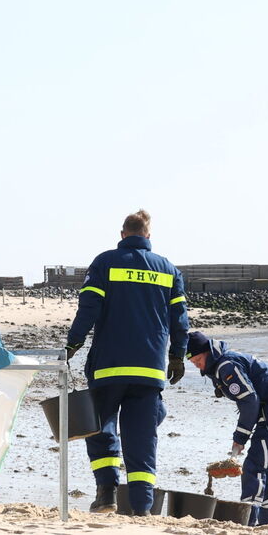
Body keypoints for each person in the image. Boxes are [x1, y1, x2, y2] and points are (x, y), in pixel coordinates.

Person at [64, 210, 189, 516]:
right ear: (148, 236)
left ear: (122, 235)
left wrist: (73, 344)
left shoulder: (105, 262)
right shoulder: (168, 269)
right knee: (142, 437)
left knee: (101, 428)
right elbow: (180, 320)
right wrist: (177, 355)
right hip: (149, 369)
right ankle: (142, 508)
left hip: (109, 365)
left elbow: (88, 308)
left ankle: (106, 494)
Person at [185, 331, 268, 526]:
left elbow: (249, 400)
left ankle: (248, 520)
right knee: (266, 468)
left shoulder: (226, 366)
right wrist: (243, 434)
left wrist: (240, 437)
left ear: (208, 352)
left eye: (198, 360)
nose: (197, 365)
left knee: (254, 467)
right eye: (193, 363)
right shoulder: (222, 364)